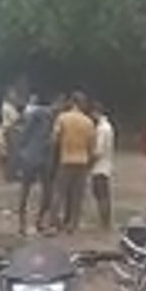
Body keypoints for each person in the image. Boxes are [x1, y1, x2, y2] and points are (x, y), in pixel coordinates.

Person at [11, 93, 59, 234]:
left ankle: (29, 223)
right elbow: (26, 135)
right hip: (36, 157)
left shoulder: (44, 116)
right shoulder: (43, 115)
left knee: (29, 191)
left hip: (35, 157)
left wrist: (20, 153)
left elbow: (25, 135)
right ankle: (32, 222)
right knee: (38, 191)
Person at [50, 92, 96, 233]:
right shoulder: (88, 122)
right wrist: (90, 162)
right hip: (82, 161)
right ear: (82, 104)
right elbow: (91, 146)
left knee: (59, 192)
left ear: (72, 102)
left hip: (66, 159)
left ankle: (54, 222)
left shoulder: (63, 118)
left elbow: (55, 139)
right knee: (77, 195)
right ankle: (73, 224)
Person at [89, 100, 116, 230]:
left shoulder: (102, 129)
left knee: (101, 195)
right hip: (106, 165)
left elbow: (98, 150)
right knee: (104, 195)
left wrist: (89, 162)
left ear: (96, 112)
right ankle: (105, 221)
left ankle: (104, 222)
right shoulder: (108, 127)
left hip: (100, 167)